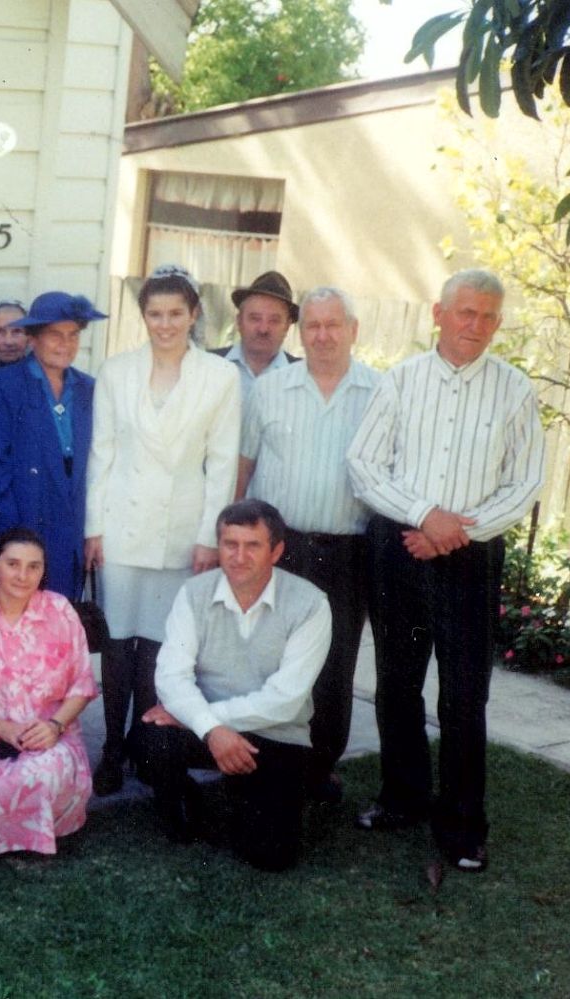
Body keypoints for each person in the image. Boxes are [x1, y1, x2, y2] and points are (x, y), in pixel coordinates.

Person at [346, 268, 545, 873]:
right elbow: (363, 464)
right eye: (465, 312)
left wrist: (456, 531)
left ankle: (462, 827)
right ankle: (403, 798)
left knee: (463, 693)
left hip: (469, 558)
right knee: (397, 682)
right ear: (438, 314)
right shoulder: (402, 381)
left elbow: (525, 483)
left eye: (487, 316)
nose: (475, 326)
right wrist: (424, 517)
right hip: (401, 547)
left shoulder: (515, 390)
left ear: (498, 323)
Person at [85, 265, 240, 796]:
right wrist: (93, 528)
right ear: (143, 316)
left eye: (176, 313)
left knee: (159, 644)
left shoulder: (219, 378)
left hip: (182, 530)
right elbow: (102, 452)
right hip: (122, 527)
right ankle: (111, 746)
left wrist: (210, 537)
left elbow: (222, 463)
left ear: (194, 315)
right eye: (155, 314)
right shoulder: (116, 371)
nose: (165, 324)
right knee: (117, 641)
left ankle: (142, 742)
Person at [135, 500, 332, 872]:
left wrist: (213, 722)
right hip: (205, 730)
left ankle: (248, 793)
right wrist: (212, 730)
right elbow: (171, 675)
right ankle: (188, 804)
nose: (239, 557)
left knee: (272, 858)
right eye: (230, 544)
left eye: (252, 545)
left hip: (274, 733)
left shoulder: (310, 604)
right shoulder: (193, 593)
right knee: (153, 735)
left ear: (276, 551)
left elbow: (285, 700)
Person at [237, 286, 378, 803]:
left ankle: (318, 769)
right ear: (302, 332)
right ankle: (257, 765)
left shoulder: (381, 393)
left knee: (333, 664)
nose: (322, 335)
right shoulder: (270, 390)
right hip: (281, 550)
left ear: (353, 330)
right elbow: (243, 466)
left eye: (333, 324)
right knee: (268, 658)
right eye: (313, 325)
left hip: (348, 551)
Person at [0, 529, 99, 857]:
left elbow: (82, 684)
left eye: (34, 566)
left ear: (44, 571)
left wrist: (55, 726)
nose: (23, 575)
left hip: (51, 734)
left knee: (42, 774)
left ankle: (31, 834)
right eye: (13, 564)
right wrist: (3, 729)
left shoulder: (60, 610)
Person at [0, 291, 104, 600]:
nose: (65, 344)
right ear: (32, 338)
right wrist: (13, 541)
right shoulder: (1, 387)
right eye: (55, 335)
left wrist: (91, 531)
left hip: (71, 531)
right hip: (26, 526)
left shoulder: (88, 389)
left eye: (73, 335)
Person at [212, 270, 301, 399]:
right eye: (255, 318)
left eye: (274, 321)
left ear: (287, 326)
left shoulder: (303, 376)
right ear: (239, 321)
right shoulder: (208, 365)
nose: (263, 329)